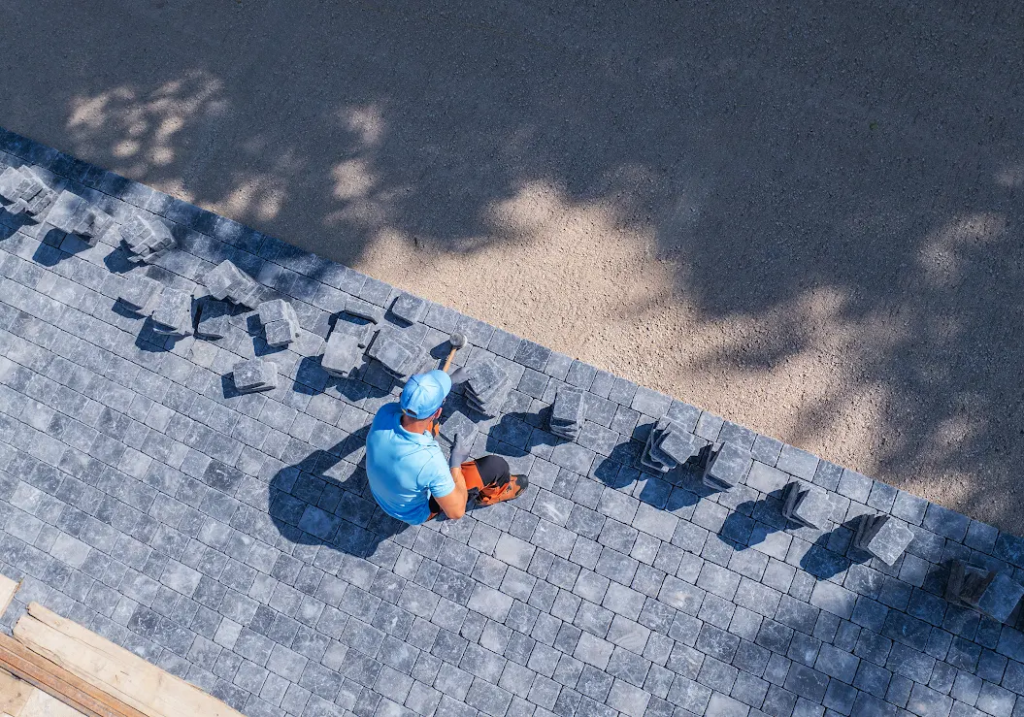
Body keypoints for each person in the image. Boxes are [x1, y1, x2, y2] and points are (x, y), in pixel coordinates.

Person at [365, 369, 528, 524]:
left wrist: (448, 382)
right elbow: (456, 512)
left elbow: (416, 408)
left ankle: (431, 427)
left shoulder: (385, 413)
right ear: (436, 412)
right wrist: (455, 464)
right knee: (496, 467)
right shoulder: (431, 462)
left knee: (427, 424)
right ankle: (491, 496)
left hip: (384, 493)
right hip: (414, 511)